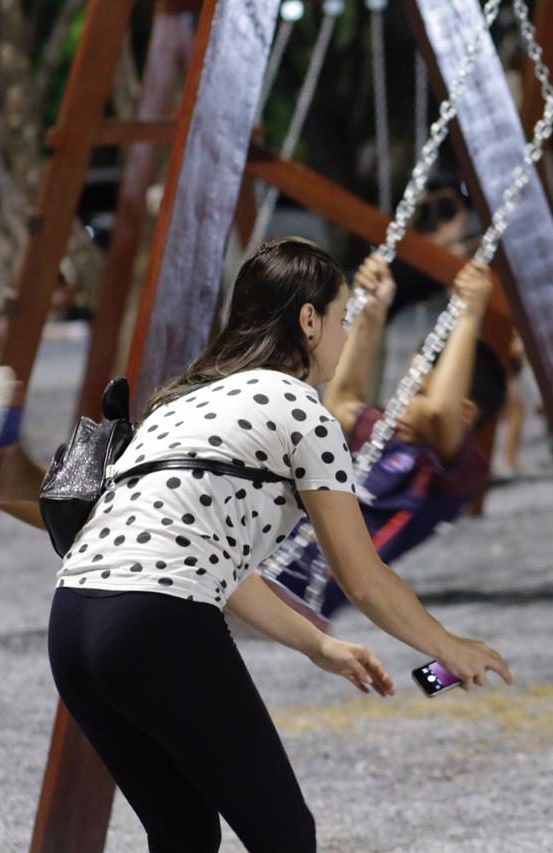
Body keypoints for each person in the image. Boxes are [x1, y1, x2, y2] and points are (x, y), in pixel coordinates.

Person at [47, 237, 512, 851]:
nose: (344, 337)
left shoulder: (180, 401)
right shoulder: (302, 411)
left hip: (72, 622)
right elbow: (362, 579)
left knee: (183, 832)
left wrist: (317, 644)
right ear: (309, 320)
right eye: (342, 320)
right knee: (284, 835)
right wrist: (448, 648)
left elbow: (210, 561)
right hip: (155, 622)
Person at [268, 253, 507, 620]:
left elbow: (442, 411)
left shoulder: (456, 472)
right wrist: (371, 315)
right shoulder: (391, 435)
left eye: (417, 393)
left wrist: (469, 313)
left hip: (301, 592)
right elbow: (342, 404)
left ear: (466, 414)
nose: (401, 400)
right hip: (263, 561)